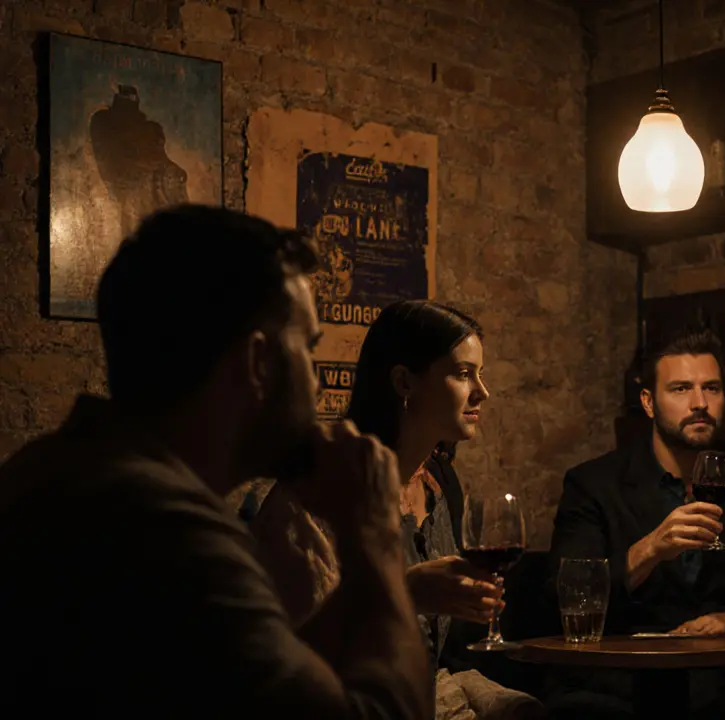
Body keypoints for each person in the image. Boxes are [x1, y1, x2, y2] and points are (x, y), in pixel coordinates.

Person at [0, 205, 431, 717]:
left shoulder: (60, 470)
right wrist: (375, 536)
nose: (316, 383)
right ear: (259, 363)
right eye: (309, 350)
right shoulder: (165, 529)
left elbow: (261, 687)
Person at [253, 300, 545, 719]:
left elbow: (436, 661)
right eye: (463, 374)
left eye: (481, 374)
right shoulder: (318, 491)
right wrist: (404, 592)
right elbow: (289, 662)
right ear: (405, 382)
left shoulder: (439, 485)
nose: (482, 391)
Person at [546, 326, 725, 719]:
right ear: (648, 402)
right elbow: (565, 596)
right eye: (680, 389)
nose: (700, 403)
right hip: (625, 680)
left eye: (712, 389)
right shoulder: (595, 485)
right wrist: (651, 548)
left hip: (723, 679)